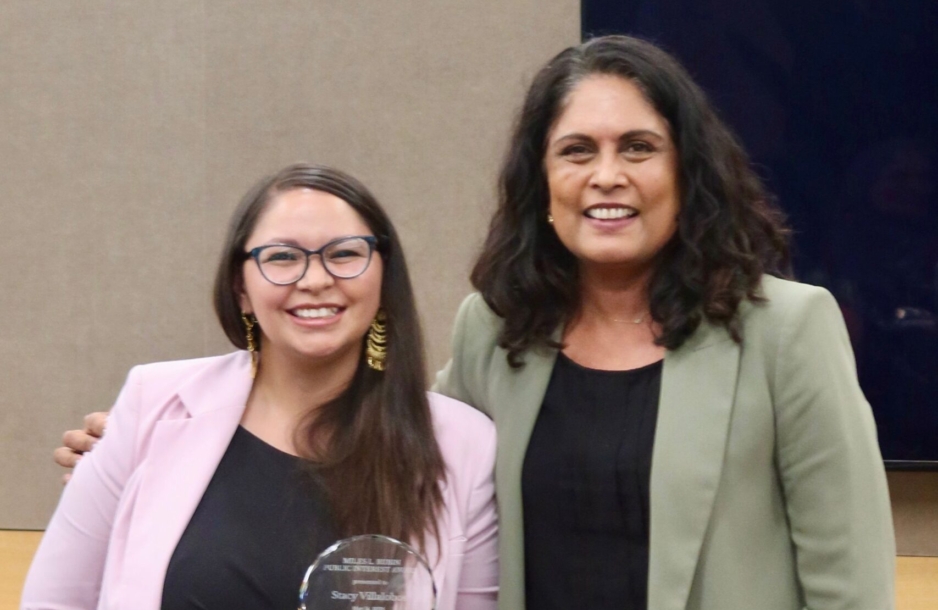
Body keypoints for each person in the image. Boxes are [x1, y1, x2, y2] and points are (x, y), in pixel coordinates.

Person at [55, 36, 895, 610]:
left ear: (686, 170)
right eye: (577, 151)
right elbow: (397, 460)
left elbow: (848, 579)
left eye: (638, 147)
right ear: (543, 182)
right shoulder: (496, 332)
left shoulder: (787, 329)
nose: (608, 176)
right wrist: (149, 451)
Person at [26, 164, 498, 609]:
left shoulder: (464, 447)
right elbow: (56, 598)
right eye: (283, 257)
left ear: (383, 276)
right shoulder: (153, 403)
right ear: (241, 289)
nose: (315, 279)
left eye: (345, 254)